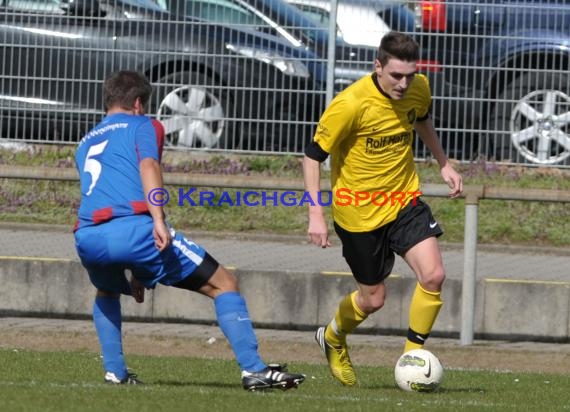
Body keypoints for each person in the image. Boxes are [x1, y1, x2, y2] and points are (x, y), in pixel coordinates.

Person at [73, 70, 305, 391]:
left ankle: (115, 372)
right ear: (139, 103)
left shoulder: (86, 141)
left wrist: (139, 268)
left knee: (107, 291)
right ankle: (253, 369)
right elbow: (148, 167)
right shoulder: (144, 125)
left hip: (87, 236)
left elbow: (108, 190)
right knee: (223, 283)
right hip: (135, 229)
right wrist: (157, 219)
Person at [302, 31, 463, 386]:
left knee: (434, 275)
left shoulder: (419, 87)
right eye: (396, 76)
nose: (404, 84)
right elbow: (312, 158)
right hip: (358, 213)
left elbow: (421, 121)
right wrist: (316, 213)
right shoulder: (350, 104)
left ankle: (412, 359)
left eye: (409, 75)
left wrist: (443, 164)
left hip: (403, 199)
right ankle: (331, 337)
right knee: (373, 299)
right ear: (378, 66)